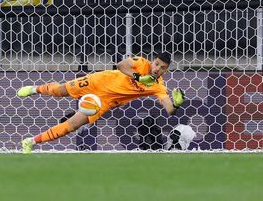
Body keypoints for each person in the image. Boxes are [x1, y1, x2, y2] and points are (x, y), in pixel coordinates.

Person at [18, 52, 185, 152]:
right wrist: (139, 77)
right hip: (99, 81)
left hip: (105, 101)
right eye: (156, 64)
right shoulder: (141, 62)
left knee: (72, 125)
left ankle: (31, 142)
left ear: (166, 70)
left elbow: (169, 110)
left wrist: (176, 104)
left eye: (162, 68)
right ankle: (35, 89)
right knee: (59, 91)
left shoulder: (158, 86)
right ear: (152, 60)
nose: (157, 69)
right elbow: (120, 65)